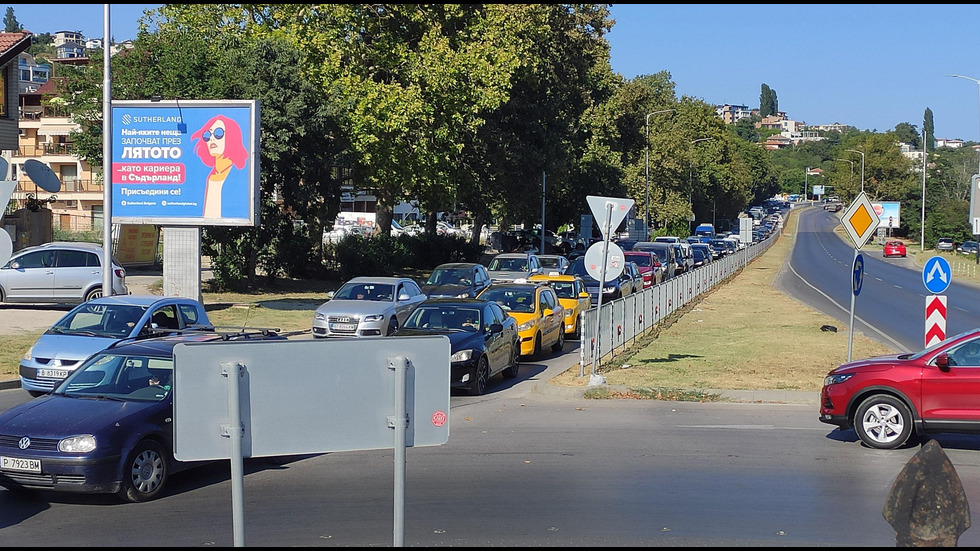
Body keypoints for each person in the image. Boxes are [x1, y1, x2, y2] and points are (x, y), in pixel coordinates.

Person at [191, 114, 249, 219]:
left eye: (218, 133)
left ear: (232, 135)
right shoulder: (205, 177)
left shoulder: (240, 174)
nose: (212, 139)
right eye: (207, 135)